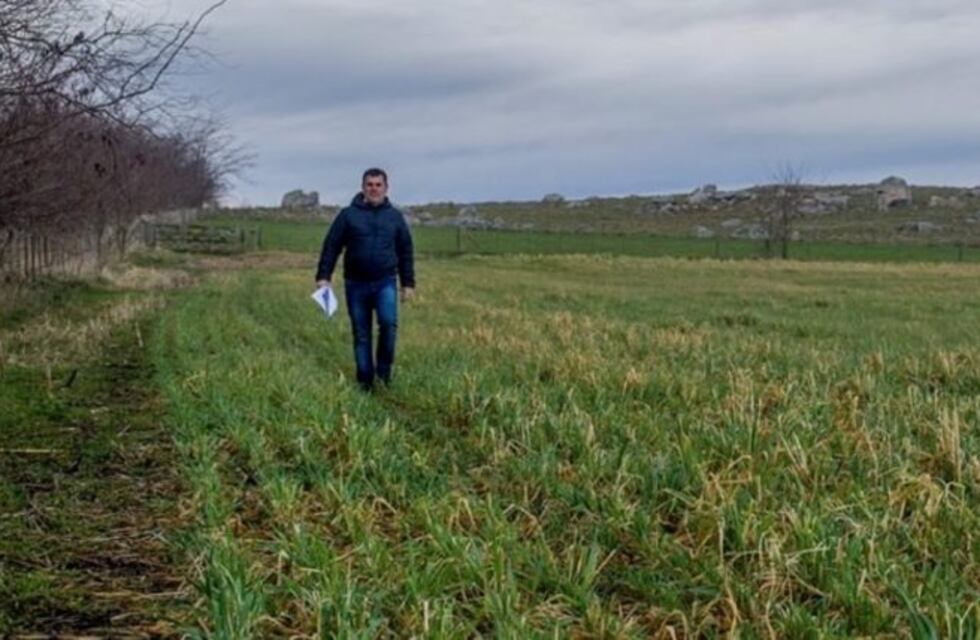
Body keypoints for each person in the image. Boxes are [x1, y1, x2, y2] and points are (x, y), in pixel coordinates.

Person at [315, 168, 415, 390]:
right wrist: (323, 277)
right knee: (361, 333)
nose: (374, 188)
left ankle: (384, 375)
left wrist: (408, 284)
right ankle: (365, 382)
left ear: (386, 188)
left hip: (385, 282)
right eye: (369, 184)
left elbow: (406, 251)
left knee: (388, 325)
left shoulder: (395, 218)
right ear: (363, 188)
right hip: (356, 284)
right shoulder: (347, 215)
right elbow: (331, 246)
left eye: (378, 185)